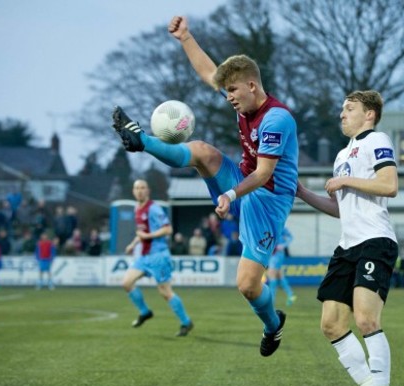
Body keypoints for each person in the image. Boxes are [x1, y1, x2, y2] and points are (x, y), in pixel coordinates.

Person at [112, 16, 299, 356]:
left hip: (267, 200)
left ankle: (273, 325)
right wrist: (185, 37)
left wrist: (229, 194)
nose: (228, 97)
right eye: (226, 91)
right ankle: (143, 142)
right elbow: (209, 74)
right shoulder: (244, 100)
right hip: (242, 180)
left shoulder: (276, 119)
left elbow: (263, 174)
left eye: (232, 90)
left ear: (252, 86)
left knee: (247, 285)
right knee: (201, 151)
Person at [296, 90, 399, 386]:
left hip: (375, 242)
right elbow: (341, 209)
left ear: (368, 115)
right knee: (331, 325)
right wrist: (304, 193)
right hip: (347, 246)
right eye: (342, 108)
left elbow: (389, 185)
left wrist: (343, 180)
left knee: (367, 320)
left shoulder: (376, 139)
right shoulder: (342, 154)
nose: (342, 114)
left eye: (349, 108)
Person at [122, 179, 194, 336]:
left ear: (148, 191)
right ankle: (145, 311)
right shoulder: (136, 209)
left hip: (158, 256)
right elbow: (141, 232)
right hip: (144, 256)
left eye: (142, 188)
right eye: (137, 188)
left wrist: (148, 235)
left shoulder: (154, 209)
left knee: (165, 293)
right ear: (133, 191)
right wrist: (133, 244)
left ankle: (186, 322)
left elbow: (168, 229)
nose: (140, 191)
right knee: (127, 283)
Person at [267, 227, 297, 306]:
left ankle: (271, 300)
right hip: (273, 254)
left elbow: (290, 237)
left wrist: (282, 245)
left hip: (277, 254)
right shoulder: (269, 226)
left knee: (272, 275)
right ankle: (291, 294)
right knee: (279, 275)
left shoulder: (281, 227)